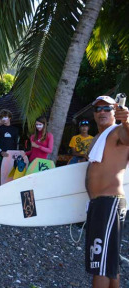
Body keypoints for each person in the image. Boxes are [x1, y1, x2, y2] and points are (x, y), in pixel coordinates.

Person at [85, 95, 129, 287]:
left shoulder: (119, 131)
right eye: (97, 109)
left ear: (115, 111)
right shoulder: (96, 139)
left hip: (109, 203)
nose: (101, 112)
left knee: (100, 265)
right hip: (99, 204)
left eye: (107, 109)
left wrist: (126, 119)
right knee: (109, 265)